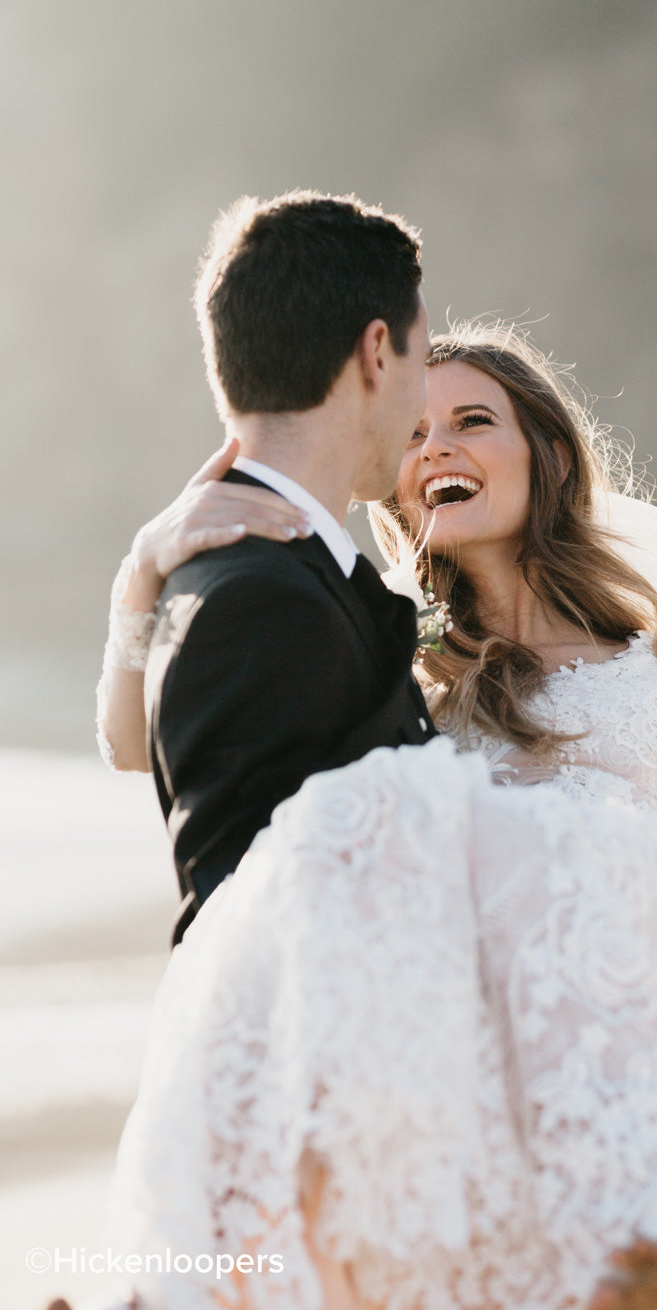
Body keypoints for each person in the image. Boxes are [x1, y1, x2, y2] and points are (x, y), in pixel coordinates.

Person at [99, 318, 657, 1307]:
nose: (438, 448)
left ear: (546, 453)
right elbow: (139, 747)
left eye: (473, 421)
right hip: (449, 1106)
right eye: (416, 433)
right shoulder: (383, 668)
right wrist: (140, 580)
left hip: (630, 1091)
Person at [98, 188, 437, 946]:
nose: (425, 406)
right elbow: (248, 932)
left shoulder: (267, 569)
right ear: (376, 352)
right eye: (424, 358)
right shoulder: (260, 596)